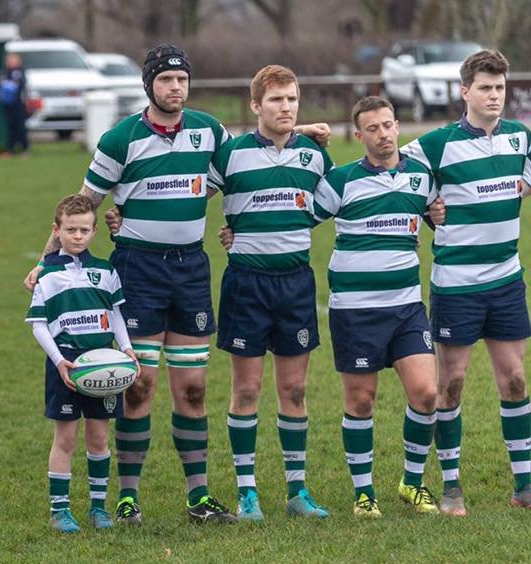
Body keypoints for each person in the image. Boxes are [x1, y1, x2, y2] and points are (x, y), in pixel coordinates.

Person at [26, 43, 326, 526]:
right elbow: (83, 206)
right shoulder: (120, 139)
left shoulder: (209, 131)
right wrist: (48, 262)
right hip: (138, 271)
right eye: (166, 80)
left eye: (183, 80)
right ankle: (127, 498)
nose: (176, 88)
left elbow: (252, 152)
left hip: (190, 270)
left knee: (192, 391)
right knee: (138, 385)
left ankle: (199, 498)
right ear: (150, 86)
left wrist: (301, 131)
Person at [401, 49, 531, 516]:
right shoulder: (435, 144)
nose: (494, 96)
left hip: (507, 280)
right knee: (451, 384)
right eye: (485, 88)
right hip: (456, 285)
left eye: (500, 88)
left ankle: (524, 485)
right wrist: (427, 207)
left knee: (515, 379)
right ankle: (452, 484)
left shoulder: (520, 139)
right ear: (464, 92)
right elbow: (395, 176)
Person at [207, 65, 334, 521]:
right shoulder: (232, 155)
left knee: (295, 390)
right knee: (246, 389)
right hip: (246, 284)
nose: (286, 107)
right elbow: (186, 193)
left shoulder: (316, 157)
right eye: (276, 99)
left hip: (296, 282)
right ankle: (247, 493)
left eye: (293, 99)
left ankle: (297, 491)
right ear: (256, 105)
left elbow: (342, 198)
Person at [313, 96, 444, 518]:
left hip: (407, 306)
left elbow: (436, 214)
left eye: (389, 125)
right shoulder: (340, 182)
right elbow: (295, 220)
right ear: (359, 135)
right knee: (361, 401)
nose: (384, 134)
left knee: (426, 393)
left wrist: (436, 215)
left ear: (397, 126)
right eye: (374, 128)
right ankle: (363, 493)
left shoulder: (421, 179)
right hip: (355, 310)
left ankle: (412, 481)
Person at [27, 194, 137, 533]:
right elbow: (37, 323)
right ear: (56, 230)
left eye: (84, 230)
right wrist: (59, 361)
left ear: (93, 232)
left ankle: (98, 508)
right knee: (65, 439)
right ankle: (60, 511)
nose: (77, 236)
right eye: (71, 229)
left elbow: (116, 313)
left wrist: (127, 347)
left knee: (100, 438)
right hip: (67, 365)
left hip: (103, 363)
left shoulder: (105, 270)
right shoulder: (46, 274)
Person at [0, 53, 28, 156]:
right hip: (7, 103)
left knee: (20, 127)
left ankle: (24, 149)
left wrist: (9, 84)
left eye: (13, 60)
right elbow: (0, 81)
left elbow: (20, 84)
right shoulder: (4, 71)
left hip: (18, 104)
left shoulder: (20, 71)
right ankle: (10, 150)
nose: (10, 62)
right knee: (10, 127)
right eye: (9, 60)